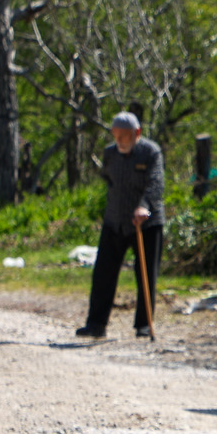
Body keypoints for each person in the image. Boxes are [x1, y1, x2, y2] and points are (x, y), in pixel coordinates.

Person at [77, 112, 165, 340]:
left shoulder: (150, 152)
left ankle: (144, 325)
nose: (119, 141)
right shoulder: (109, 153)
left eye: (124, 137)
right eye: (116, 136)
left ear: (137, 134)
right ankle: (96, 324)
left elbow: (156, 183)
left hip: (146, 223)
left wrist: (144, 205)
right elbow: (108, 178)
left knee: (146, 273)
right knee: (103, 273)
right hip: (115, 220)